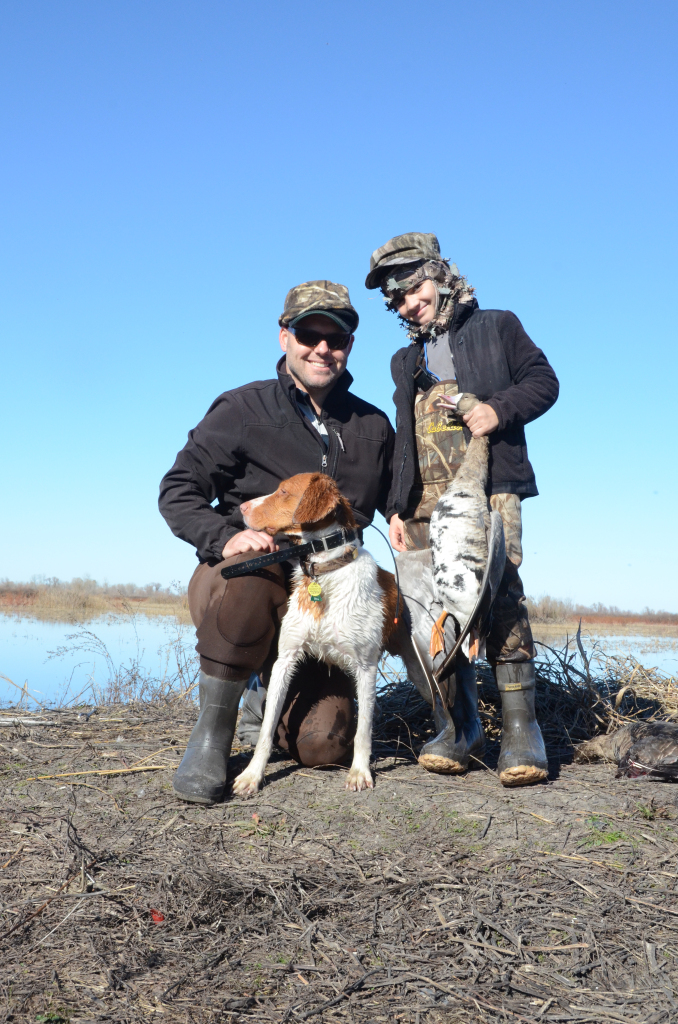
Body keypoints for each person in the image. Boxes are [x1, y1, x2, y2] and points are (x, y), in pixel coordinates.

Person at [159, 281, 395, 803]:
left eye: (336, 338)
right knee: (256, 573)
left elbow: (401, 500)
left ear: (350, 346)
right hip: (242, 581)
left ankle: (264, 704)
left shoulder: (373, 425)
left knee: (323, 745)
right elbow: (178, 489)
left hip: (326, 593)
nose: (322, 349)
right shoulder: (242, 408)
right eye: (309, 333)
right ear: (285, 335)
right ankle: (212, 739)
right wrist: (225, 538)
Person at [365, 233, 559, 787]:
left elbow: (545, 383)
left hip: (487, 492)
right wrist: (396, 507)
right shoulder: (405, 360)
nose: (407, 301)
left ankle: (523, 732)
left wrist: (498, 410)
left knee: (499, 602)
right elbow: (406, 437)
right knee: (436, 611)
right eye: (395, 297)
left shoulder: (497, 326)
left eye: (413, 285)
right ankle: (463, 726)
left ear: (441, 276)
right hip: (424, 504)